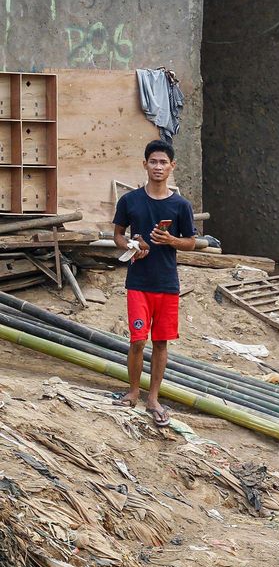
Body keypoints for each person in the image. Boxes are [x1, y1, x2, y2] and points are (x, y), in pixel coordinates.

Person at [112, 140, 196, 427]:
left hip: (167, 283)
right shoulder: (130, 200)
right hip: (138, 281)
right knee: (137, 340)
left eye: (163, 162)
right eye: (153, 161)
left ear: (172, 167)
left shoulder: (180, 205)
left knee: (160, 342)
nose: (158, 167)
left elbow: (192, 242)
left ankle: (153, 398)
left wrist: (172, 241)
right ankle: (134, 392)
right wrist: (132, 244)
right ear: (144, 164)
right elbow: (118, 234)